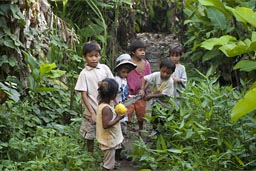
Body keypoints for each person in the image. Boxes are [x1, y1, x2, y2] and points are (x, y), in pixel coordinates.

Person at [74, 41, 114, 154]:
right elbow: (84, 95)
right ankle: (90, 155)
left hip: (106, 108)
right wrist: (92, 112)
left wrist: (113, 103)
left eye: (96, 55)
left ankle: (107, 154)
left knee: (107, 131)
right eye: (90, 56)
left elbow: (112, 86)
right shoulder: (84, 74)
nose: (94, 59)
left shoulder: (104, 69)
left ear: (100, 56)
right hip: (91, 109)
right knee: (90, 134)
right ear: (84, 57)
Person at [139, 58, 176, 136]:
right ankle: (154, 129)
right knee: (155, 115)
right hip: (157, 102)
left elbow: (163, 94)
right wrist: (142, 89)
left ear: (172, 73)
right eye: (163, 72)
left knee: (164, 118)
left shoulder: (170, 81)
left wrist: (150, 96)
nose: (165, 74)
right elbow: (144, 78)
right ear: (160, 69)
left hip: (166, 104)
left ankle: (164, 132)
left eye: (168, 73)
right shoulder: (156, 75)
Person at [96, 78, 125, 171]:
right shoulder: (106, 109)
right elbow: (106, 124)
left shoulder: (103, 104)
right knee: (108, 165)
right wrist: (118, 118)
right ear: (113, 95)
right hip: (109, 141)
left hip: (108, 139)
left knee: (108, 161)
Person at [113, 53, 136, 160]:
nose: (126, 74)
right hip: (117, 110)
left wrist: (130, 96)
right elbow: (113, 94)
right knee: (119, 132)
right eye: (123, 72)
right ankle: (117, 154)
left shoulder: (124, 80)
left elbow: (123, 94)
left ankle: (121, 152)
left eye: (127, 72)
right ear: (118, 70)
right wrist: (116, 104)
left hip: (123, 109)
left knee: (123, 131)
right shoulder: (116, 80)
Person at [127, 39, 151, 133]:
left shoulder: (146, 64)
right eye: (140, 50)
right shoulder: (128, 63)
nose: (143, 52)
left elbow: (149, 79)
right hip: (129, 94)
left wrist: (143, 89)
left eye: (144, 50)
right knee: (127, 113)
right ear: (133, 51)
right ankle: (126, 131)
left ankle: (141, 130)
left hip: (141, 94)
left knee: (141, 113)